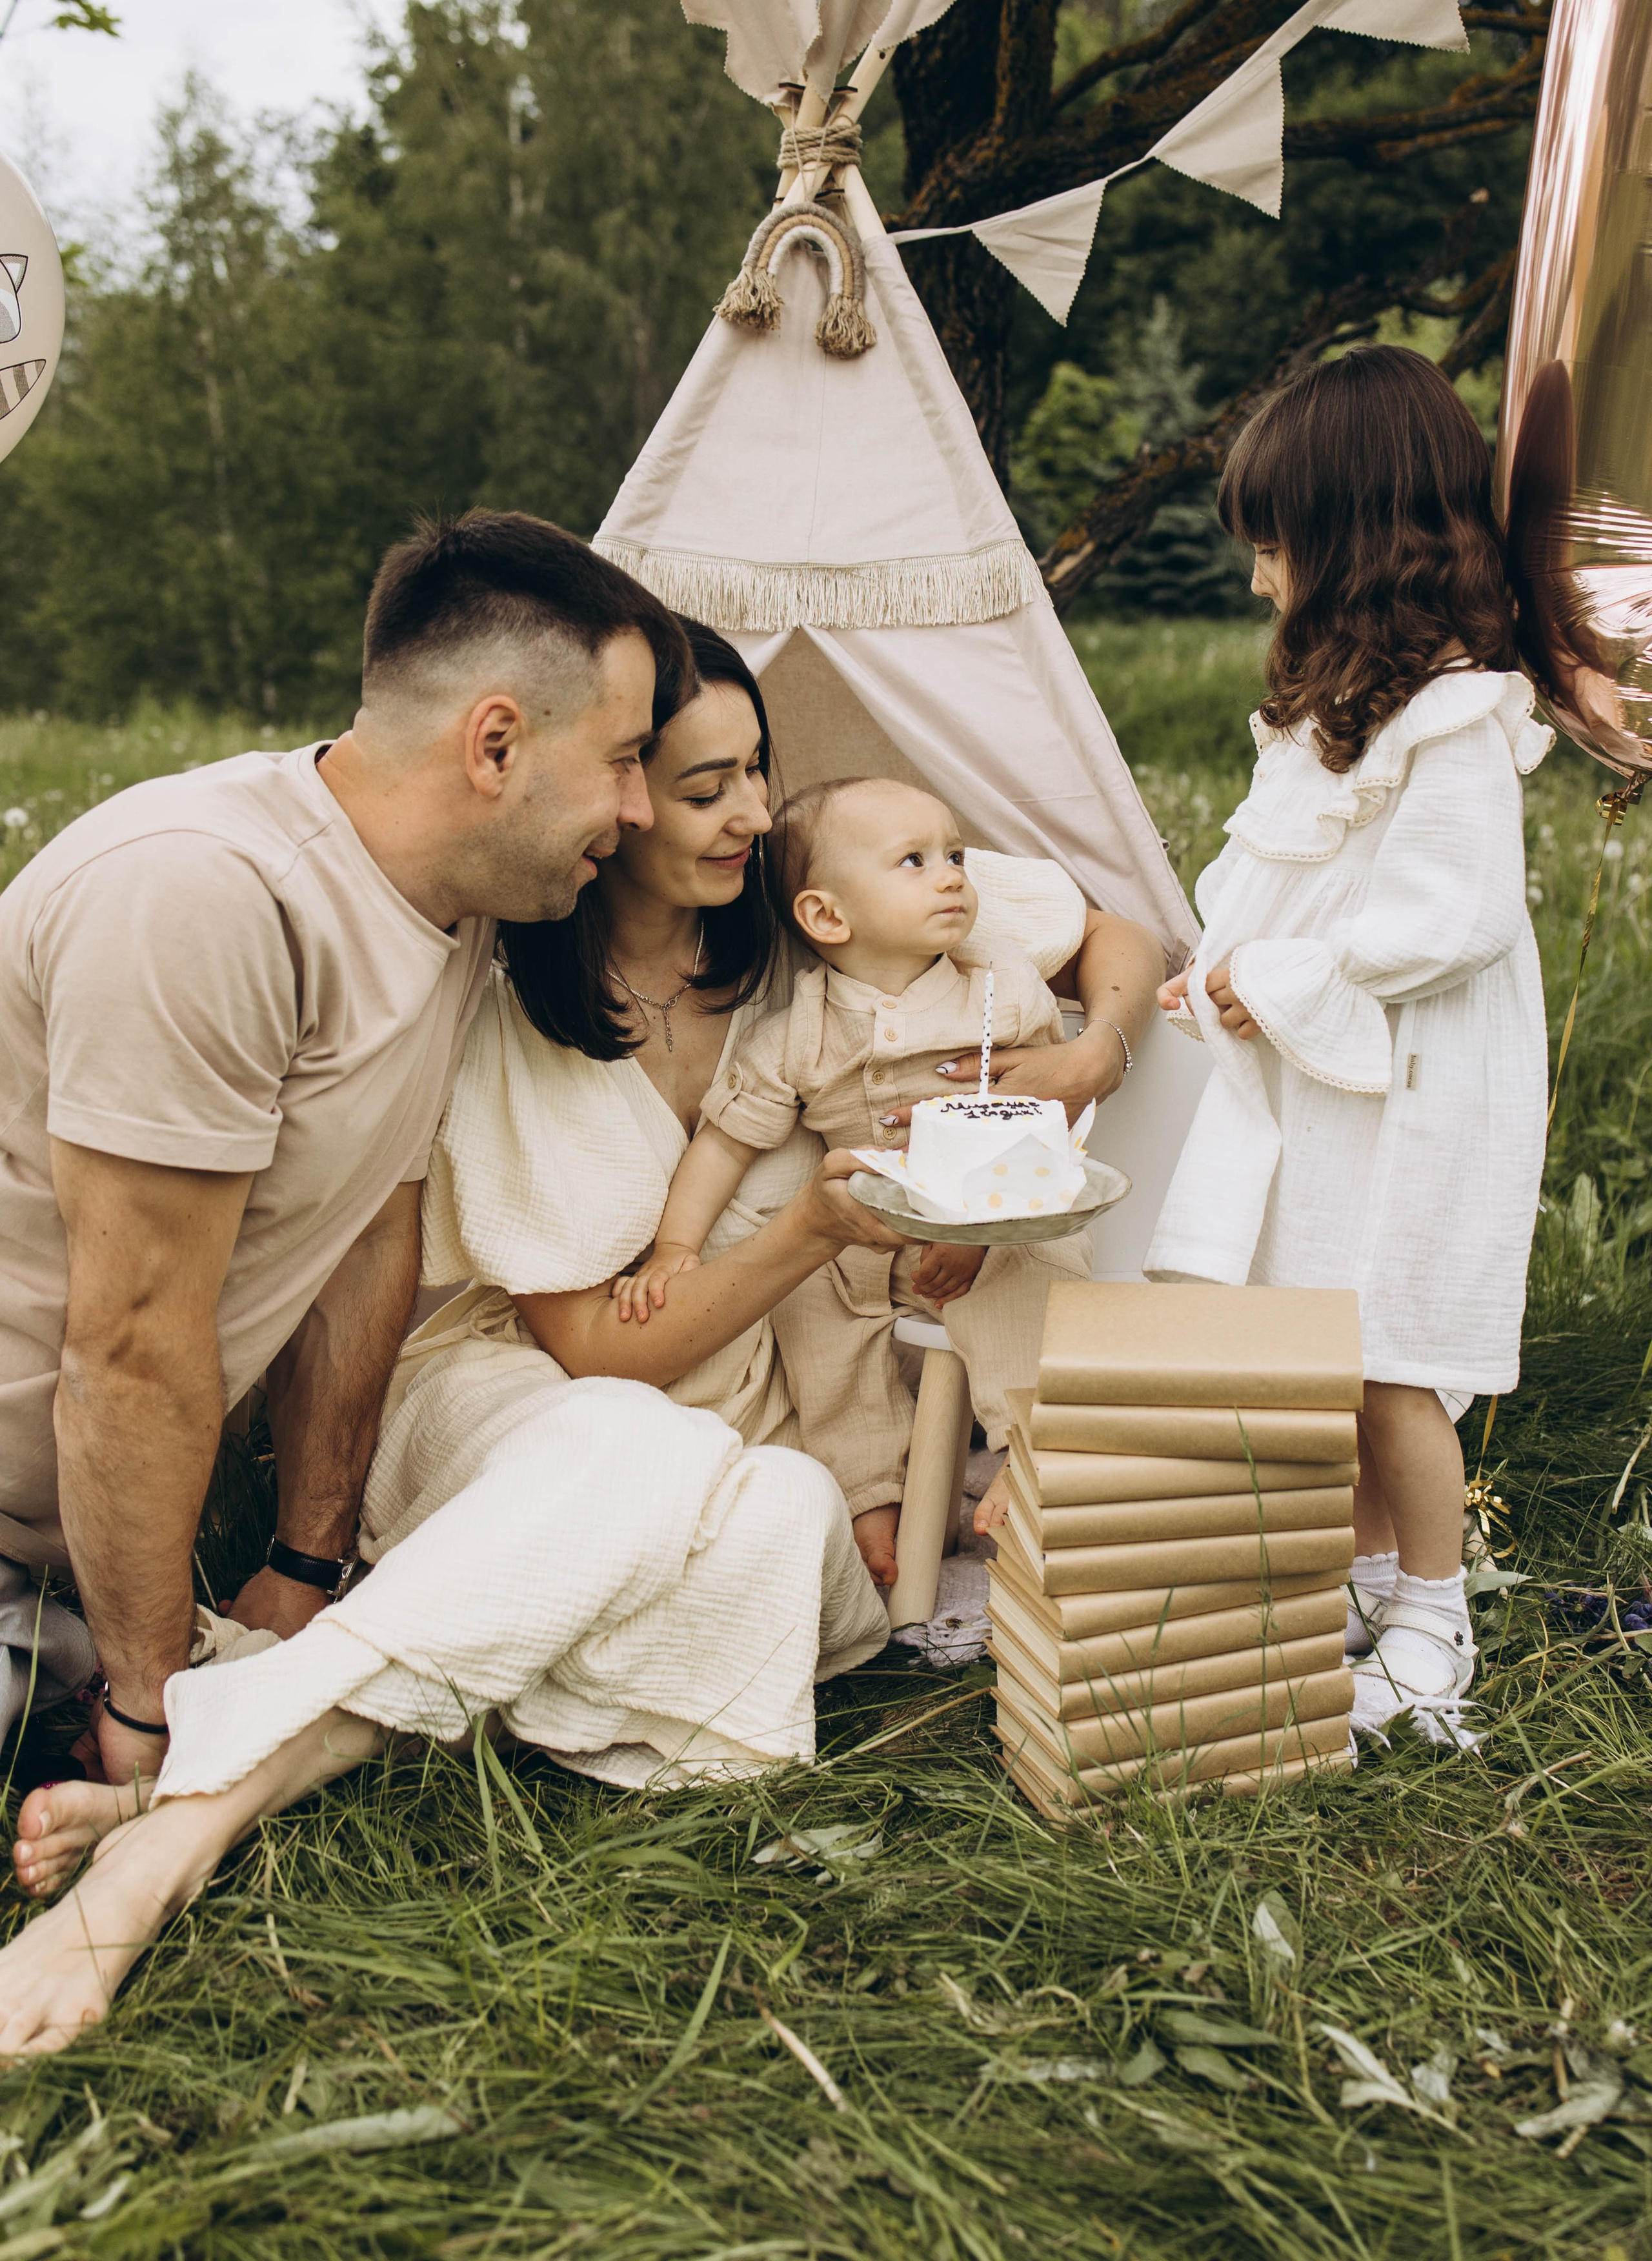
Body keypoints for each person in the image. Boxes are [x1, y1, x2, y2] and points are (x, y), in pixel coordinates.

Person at [0, 614, 1166, 2056]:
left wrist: (1087, 1053)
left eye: (753, 775)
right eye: (688, 785)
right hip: (513, 1388)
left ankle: (264, 1719)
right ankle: (183, 1832)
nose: (745, 813)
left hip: (751, 1432)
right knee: (635, 1454)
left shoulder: (821, 913)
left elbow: (1107, 926)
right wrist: (813, 1234)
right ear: (603, 807)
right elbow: (604, 1359)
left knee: (781, 1516)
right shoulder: (504, 990)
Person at [0, 506, 677, 1793]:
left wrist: (304, 1566)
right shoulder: (202, 894)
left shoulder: (452, 907)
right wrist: (154, 1724)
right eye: (624, 760)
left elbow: (370, 1222)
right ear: (495, 743)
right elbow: (130, 1346)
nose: (638, 809)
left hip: (69, 1557)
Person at [1144, 346, 1552, 1744]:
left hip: (1419, 1079)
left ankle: (1433, 1616)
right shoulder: (1327, 712)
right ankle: (1366, 1576)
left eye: (1273, 548)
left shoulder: (1451, 719)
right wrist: (1218, 972)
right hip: (1341, 1083)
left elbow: (1451, 917)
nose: (1258, 580)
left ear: (1348, 541)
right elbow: (1276, 879)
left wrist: (1283, 972)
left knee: (1391, 1351)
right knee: (1332, 1336)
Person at [616, 774, 1092, 1584]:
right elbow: (724, 1146)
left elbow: (1048, 1125)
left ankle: (1029, 1450)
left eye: (954, 855)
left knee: (1033, 1283)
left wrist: (979, 1239)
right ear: (827, 916)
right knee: (812, 1312)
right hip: (863, 1240)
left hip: (998, 1222)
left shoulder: (998, 992)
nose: (950, 876)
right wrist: (674, 1245)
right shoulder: (798, 1031)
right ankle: (871, 1495)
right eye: (913, 861)